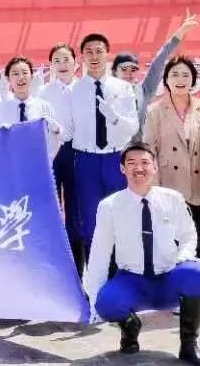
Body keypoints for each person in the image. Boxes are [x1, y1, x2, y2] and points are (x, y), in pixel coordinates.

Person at [84, 143, 200, 365]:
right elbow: (100, 253)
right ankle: (130, 328)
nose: (138, 168)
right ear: (122, 168)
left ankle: (189, 345)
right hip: (132, 281)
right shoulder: (109, 206)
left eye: (145, 163)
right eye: (131, 163)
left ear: (154, 167)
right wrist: (95, 299)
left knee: (197, 274)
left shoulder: (172, 199)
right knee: (105, 302)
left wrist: (183, 258)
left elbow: (189, 235)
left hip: (168, 276)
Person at [143, 56, 200, 269]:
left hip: (199, 185)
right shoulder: (155, 110)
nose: (180, 79)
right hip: (170, 186)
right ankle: (173, 284)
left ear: (193, 80)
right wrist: (154, 190)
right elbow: (149, 150)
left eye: (186, 75)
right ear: (166, 80)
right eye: (175, 74)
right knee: (172, 244)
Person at [65, 33, 139, 258]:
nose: (94, 56)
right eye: (88, 52)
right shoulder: (73, 90)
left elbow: (132, 127)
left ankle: (122, 271)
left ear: (107, 54)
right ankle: (95, 273)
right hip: (85, 159)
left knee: (120, 215)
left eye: (99, 51)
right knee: (90, 219)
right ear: (82, 57)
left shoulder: (122, 88)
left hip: (114, 158)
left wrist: (115, 117)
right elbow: (67, 130)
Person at [111, 10, 199, 140]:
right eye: (124, 69)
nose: (129, 73)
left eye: (133, 69)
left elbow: (159, 60)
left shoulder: (144, 90)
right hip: (112, 149)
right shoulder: (105, 92)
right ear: (114, 72)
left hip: (138, 148)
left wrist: (180, 32)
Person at [39, 43, 82, 275]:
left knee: (76, 210)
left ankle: (78, 270)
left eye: (66, 59)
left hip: (78, 151)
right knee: (52, 208)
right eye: (57, 60)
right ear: (51, 65)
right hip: (52, 153)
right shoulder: (43, 93)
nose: (62, 64)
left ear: (76, 63)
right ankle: (53, 268)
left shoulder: (84, 89)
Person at [0, 57, 63, 160]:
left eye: (25, 73)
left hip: (39, 162)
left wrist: (48, 159)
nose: (21, 77)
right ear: (8, 79)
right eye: (15, 73)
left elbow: (56, 136)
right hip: (12, 163)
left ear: (32, 76)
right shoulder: (1, 108)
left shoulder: (44, 106)